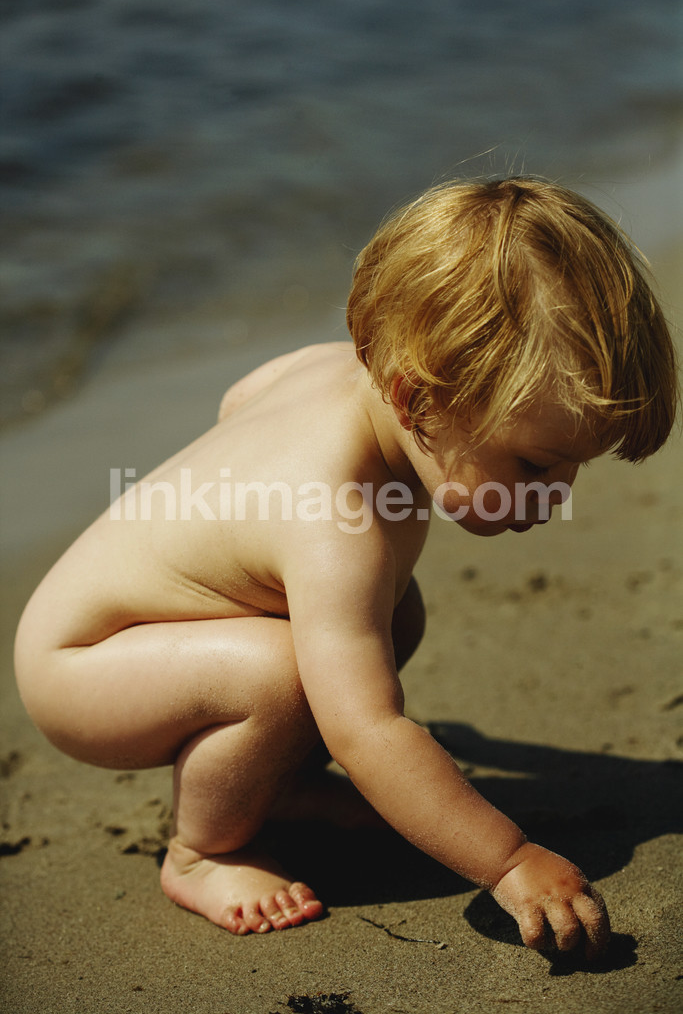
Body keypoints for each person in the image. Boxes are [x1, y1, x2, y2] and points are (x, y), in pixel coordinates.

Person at [14, 178, 677, 956]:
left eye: (572, 468)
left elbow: (241, 400)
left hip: (135, 631)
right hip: (81, 669)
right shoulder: (338, 526)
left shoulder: (331, 369)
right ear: (415, 399)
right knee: (283, 675)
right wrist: (508, 860)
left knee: (391, 612)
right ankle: (203, 850)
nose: (558, 495)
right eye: (533, 465)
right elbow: (369, 730)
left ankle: (281, 785)